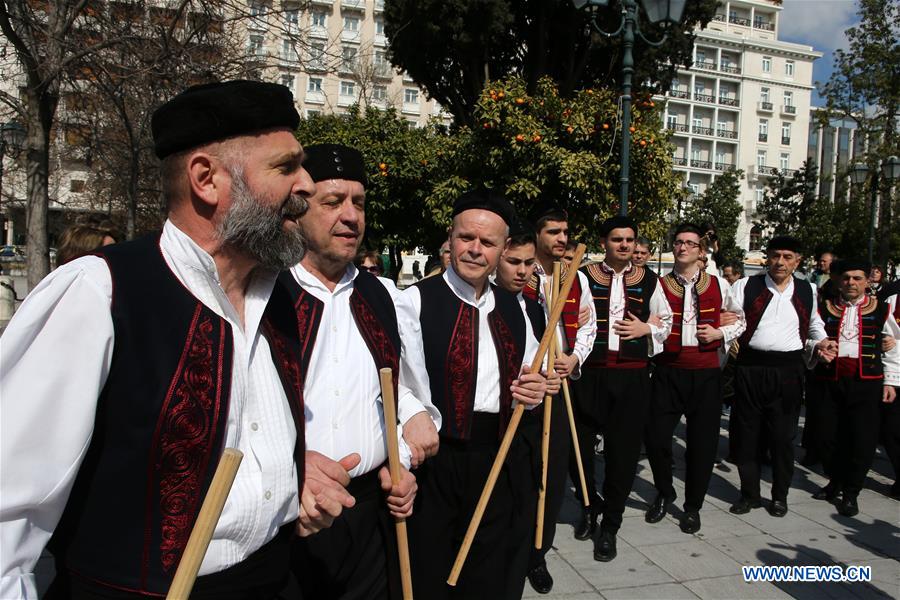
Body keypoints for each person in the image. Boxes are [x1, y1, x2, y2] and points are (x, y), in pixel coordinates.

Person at [0, 80, 350, 599]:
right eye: (285, 167)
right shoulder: (100, 293)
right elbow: (10, 509)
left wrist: (288, 477)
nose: (306, 184)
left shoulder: (278, 298)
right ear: (206, 179)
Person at [284, 144, 440, 599]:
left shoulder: (385, 297)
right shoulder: (265, 293)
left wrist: (406, 452)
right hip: (292, 512)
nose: (350, 215)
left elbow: (408, 393)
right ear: (297, 210)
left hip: (370, 511)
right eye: (332, 202)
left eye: (359, 203)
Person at [397, 189, 548, 599]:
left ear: (502, 250)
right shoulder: (413, 301)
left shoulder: (514, 307)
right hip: (436, 462)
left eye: (488, 243)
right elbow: (395, 382)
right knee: (431, 570)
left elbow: (534, 374)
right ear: (450, 237)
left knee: (488, 572)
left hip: (499, 456)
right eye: (467, 238)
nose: (475, 250)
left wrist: (534, 389)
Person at [573, 215, 672, 562]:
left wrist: (646, 328)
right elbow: (567, 315)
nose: (625, 245)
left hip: (631, 377)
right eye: (617, 239)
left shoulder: (650, 280)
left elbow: (666, 320)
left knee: (623, 454)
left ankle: (610, 526)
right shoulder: (583, 275)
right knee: (578, 450)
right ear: (604, 243)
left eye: (629, 240)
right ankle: (588, 505)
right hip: (589, 375)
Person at [643, 224, 745, 534]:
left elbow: (739, 319)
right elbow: (654, 324)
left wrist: (720, 332)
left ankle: (692, 506)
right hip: (668, 371)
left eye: (690, 243)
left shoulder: (718, 285)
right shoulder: (659, 285)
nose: (683, 247)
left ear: (701, 251)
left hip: (705, 373)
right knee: (656, 437)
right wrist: (651, 328)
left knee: (702, 444)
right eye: (678, 242)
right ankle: (664, 491)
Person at [520, 206, 595, 593]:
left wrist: (573, 357)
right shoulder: (519, 272)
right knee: (523, 473)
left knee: (552, 474)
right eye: (553, 231)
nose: (562, 238)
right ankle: (515, 543)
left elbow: (588, 324)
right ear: (537, 235)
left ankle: (538, 552)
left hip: (561, 385)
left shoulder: (576, 278)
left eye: (566, 231)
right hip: (526, 389)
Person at [728, 235, 829, 517]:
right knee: (747, 435)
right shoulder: (746, 285)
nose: (780, 262)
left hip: (788, 370)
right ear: (767, 258)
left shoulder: (808, 290)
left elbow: (814, 324)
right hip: (750, 367)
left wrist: (821, 341)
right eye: (775, 256)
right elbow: (732, 320)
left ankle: (780, 495)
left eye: (787, 257)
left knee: (783, 438)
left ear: (798, 260)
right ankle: (749, 494)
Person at [807, 260, 899, 517]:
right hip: (829, 379)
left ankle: (851, 491)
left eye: (857, 278)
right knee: (825, 436)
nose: (851, 283)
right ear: (839, 280)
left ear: (867, 281)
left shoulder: (881, 308)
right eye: (847, 277)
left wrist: (891, 380)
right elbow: (808, 336)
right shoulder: (824, 307)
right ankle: (835, 479)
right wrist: (817, 348)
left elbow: (892, 343)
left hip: (866, 382)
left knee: (862, 438)